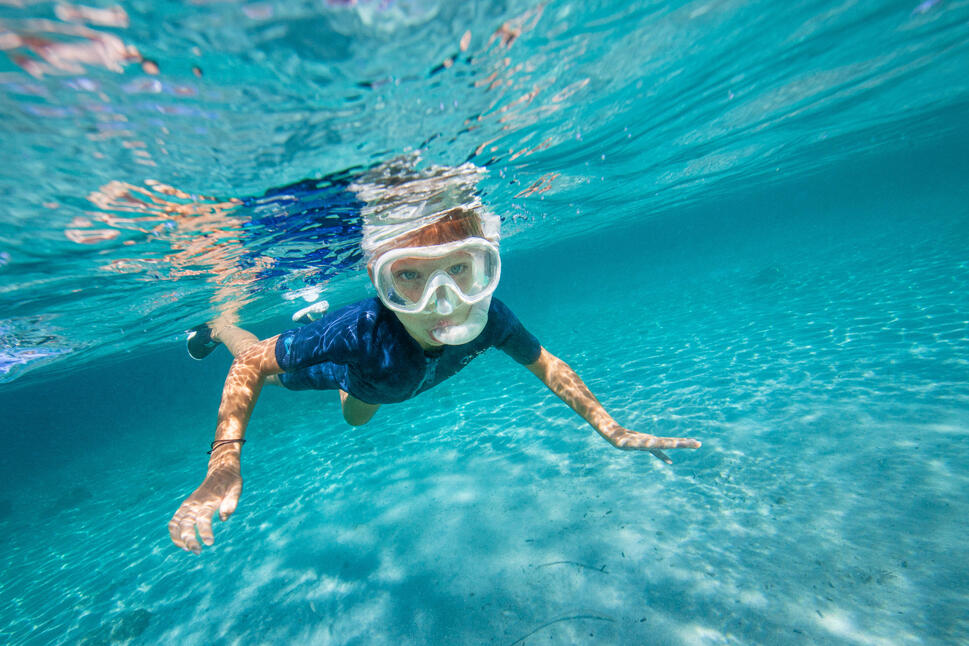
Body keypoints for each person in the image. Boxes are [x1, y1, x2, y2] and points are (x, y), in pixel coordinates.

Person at [168, 161, 701, 555]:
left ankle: (327, 350)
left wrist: (613, 429)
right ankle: (221, 324)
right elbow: (252, 367)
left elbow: (549, 365)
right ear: (382, 282)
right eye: (410, 278)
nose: (442, 301)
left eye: (461, 271)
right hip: (358, 372)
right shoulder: (360, 329)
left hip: (391, 384)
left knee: (357, 416)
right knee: (304, 384)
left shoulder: (490, 318)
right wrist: (225, 460)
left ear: (484, 266)